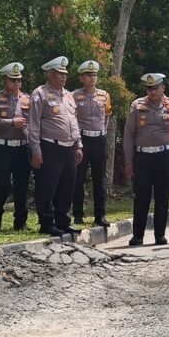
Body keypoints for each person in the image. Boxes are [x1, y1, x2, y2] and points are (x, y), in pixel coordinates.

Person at [123, 73, 169, 246]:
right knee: (141, 196)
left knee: (162, 196)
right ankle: (138, 235)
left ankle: (160, 235)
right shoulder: (137, 105)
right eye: (149, 88)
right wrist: (128, 161)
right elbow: (128, 134)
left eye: (155, 88)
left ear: (163, 88)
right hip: (142, 157)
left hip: (164, 156)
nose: (152, 91)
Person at [28, 56, 83, 237]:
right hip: (50, 146)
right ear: (50, 74)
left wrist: (79, 144)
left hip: (69, 147)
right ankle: (46, 223)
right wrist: (36, 150)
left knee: (67, 187)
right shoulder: (40, 94)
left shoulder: (68, 95)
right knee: (47, 186)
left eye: (65, 74)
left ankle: (63, 221)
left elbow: (73, 121)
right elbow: (34, 124)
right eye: (59, 73)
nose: (63, 77)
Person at [0, 62, 32, 232]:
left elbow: (33, 121)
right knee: (2, 185)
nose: (16, 83)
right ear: (4, 80)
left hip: (22, 147)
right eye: (13, 80)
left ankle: (20, 223)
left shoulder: (27, 99)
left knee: (22, 186)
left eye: (19, 80)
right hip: (3, 147)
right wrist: (12, 122)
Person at [71, 60, 113, 228]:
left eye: (94, 75)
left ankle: (100, 215)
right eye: (88, 75)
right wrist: (77, 142)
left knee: (99, 178)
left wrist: (103, 133)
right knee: (78, 178)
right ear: (81, 78)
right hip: (82, 139)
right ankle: (78, 215)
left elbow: (107, 116)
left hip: (99, 139)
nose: (92, 78)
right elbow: (72, 119)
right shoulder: (74, 95)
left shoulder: (104, 95)